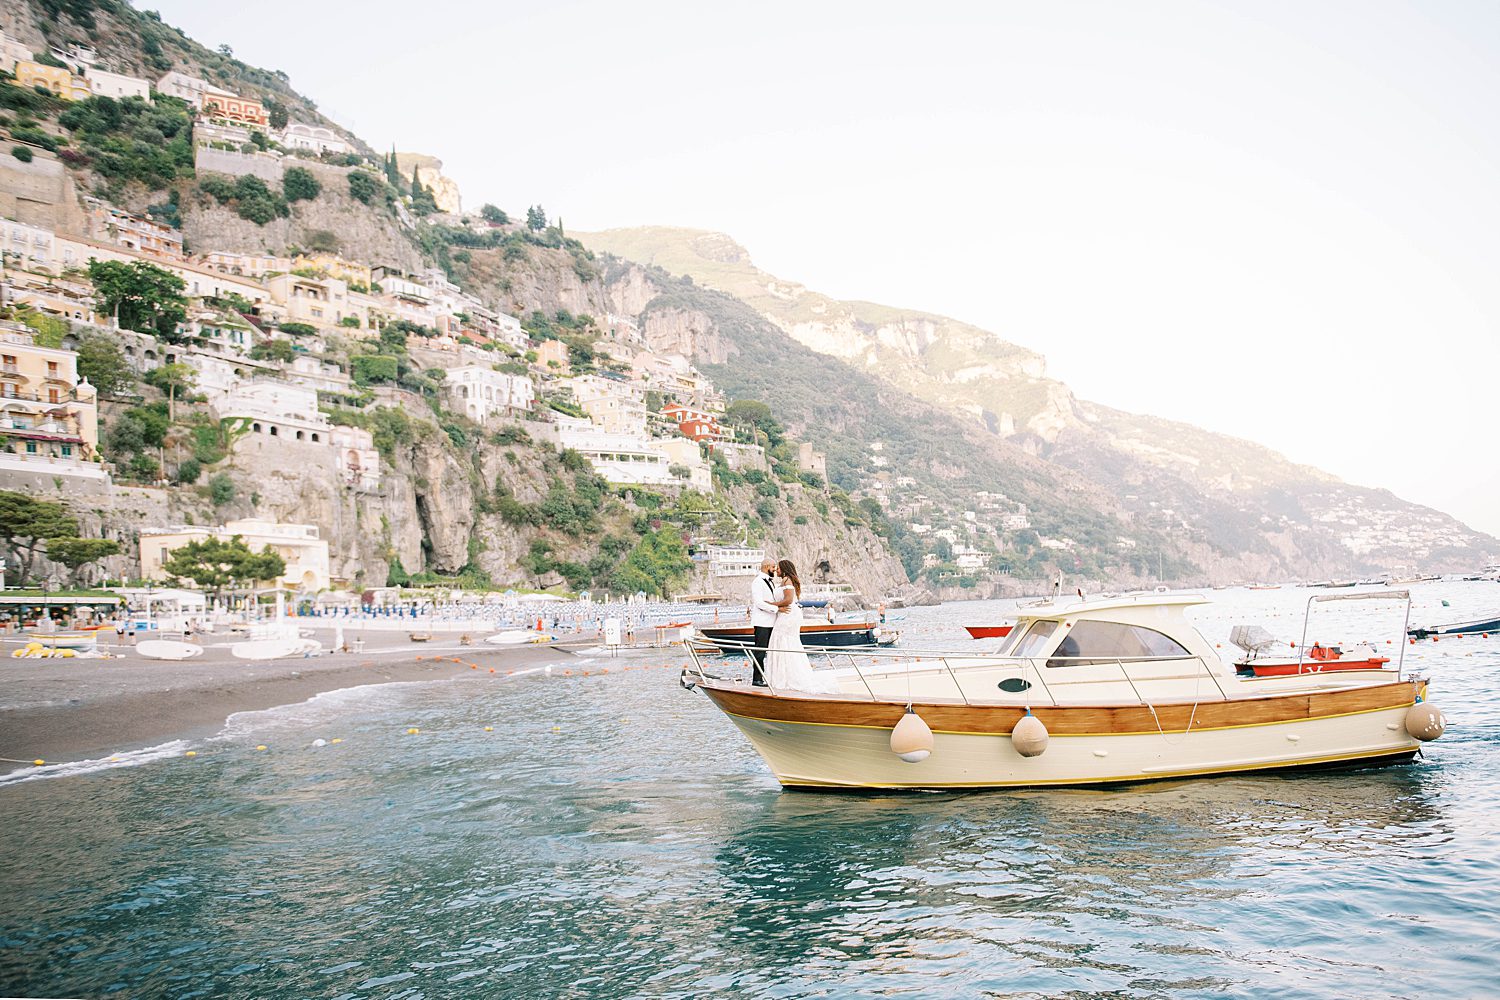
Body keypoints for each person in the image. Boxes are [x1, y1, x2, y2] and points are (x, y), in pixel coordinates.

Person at [765, 559, 841, 694]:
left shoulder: (787, 580)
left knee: (782, 640)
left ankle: (785, 678)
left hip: (788, 615)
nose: (776, 570)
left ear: (784, 569)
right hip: (787, 614)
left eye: (778, 568)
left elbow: (788, 600)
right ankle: (782, 676)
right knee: (784, 641)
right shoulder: (786, 580)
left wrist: (772, 604)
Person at [747, 557, 780, 686]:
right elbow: (759, 602)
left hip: (772, 622)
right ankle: (757, 679)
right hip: (762, 622)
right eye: (773, 567)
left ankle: (769, 677)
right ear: (767, 567)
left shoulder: (770, 582)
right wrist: (777, 609)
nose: (775, 570)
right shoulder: (757, 582)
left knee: (771, 651)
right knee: (760, 651)